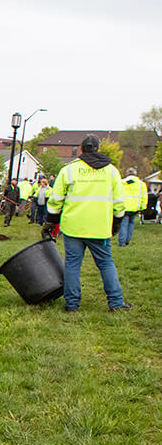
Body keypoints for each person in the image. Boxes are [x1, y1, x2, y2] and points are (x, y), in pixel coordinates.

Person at [44, 134, 129, 312]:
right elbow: (119, 203)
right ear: (98, 149)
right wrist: (116, 224)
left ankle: (72, 304)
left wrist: (50, 222)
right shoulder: (111, 171)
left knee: (72, 265)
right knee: (106, 263)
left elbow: (56, 200)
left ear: (81, 149)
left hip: (73, 227)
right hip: (99, 228)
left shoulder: (69, 170)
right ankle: (116, 303)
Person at [118, 168, 146, 246]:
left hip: (124, 207)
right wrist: (142, 207)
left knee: (123, 224)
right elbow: (144, 196)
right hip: (135, 207)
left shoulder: (121, 182)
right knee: (131, 223)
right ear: (135, 174)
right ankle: (127, 239)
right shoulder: (141, 184)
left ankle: (122, 241)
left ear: (127, 174)